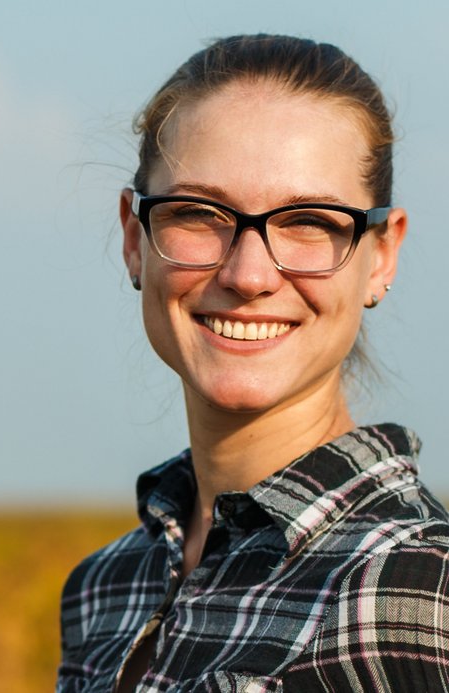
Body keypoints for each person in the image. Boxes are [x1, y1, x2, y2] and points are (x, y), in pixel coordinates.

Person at [58, 35, 449, 691]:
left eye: (307, 220)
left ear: (381, 255)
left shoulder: (416, 591)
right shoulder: (105, 587)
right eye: (199, 213)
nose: (247, 273)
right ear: (135, 237)